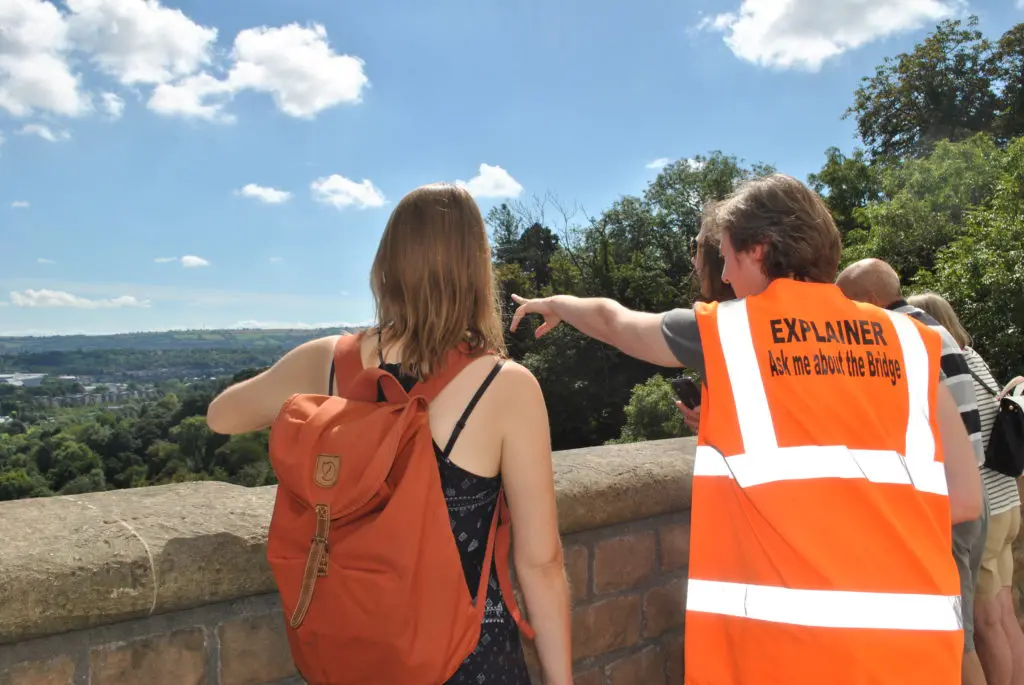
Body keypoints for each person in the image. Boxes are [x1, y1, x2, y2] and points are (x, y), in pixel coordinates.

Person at [510, 173, 983, 685]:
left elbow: (614, 322)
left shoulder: (729, 330)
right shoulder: (912, 341)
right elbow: (965, 499)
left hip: (787, 656)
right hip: (918, 655)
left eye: (728, 256)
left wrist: (556, 304)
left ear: (758, 250)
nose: (727, 277)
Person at [206, 183, 572, 685]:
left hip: (351, 658)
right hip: (466, 661)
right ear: (474, 272)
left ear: (387, 267)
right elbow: (541, 564)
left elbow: (221, 416)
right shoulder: (504, 386)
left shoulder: (326, 362)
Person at [837, 259, 989, 685]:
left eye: (846, 303)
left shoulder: (898, 337)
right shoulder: (934, 329)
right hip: (971, 496)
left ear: (870, 301)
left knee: (958, 640)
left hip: (942, 507)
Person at [909, 291, 1024, 685]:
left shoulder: (945, 364)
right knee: (1006, 614)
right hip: (1007, 500)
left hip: (982, 503)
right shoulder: (975, 360)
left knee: (987, 623)